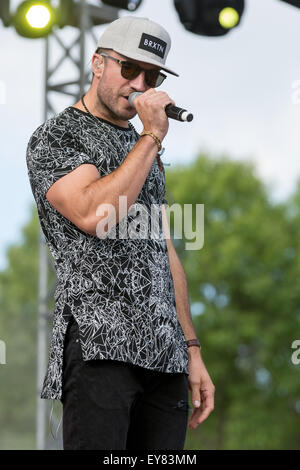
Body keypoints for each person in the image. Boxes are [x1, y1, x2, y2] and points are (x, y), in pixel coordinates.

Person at [26, 16, 215, 450]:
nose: (140, 83)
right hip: (101, 345)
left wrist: (192, 349)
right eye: (129, 69)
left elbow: (162, 250)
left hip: (164, 353)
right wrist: (150, 136)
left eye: (152, 75)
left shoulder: (141, 146)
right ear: (97, 64)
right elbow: (97, 215)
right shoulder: (58, 136)